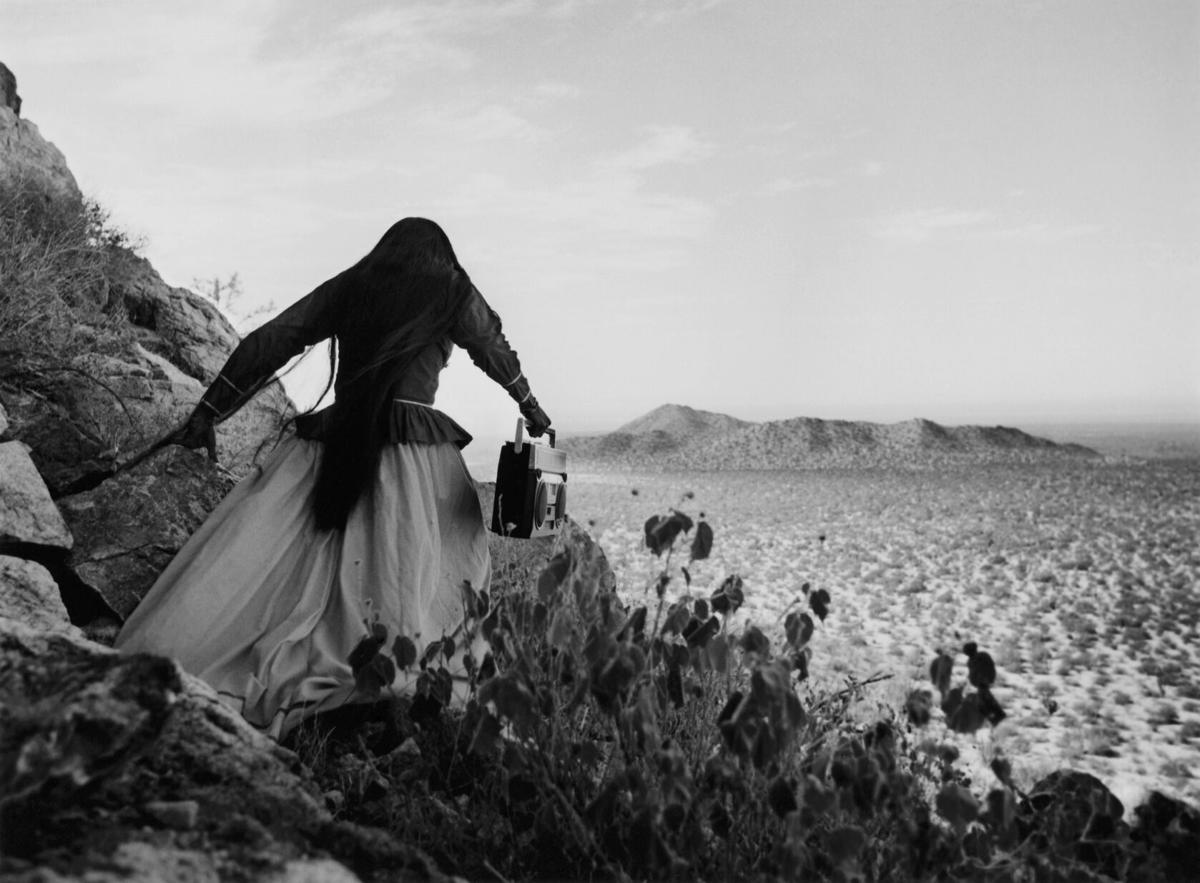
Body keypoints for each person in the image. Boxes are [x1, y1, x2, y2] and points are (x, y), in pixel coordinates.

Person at [115, 218, 550, 739]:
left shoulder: (356, 283)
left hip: (335, 441)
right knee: (436, 563)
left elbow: (275, 338)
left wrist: (211, 410)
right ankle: (396, 670)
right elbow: (492, 347)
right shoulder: (452, 289)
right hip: (413, 455)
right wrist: (531, 407)